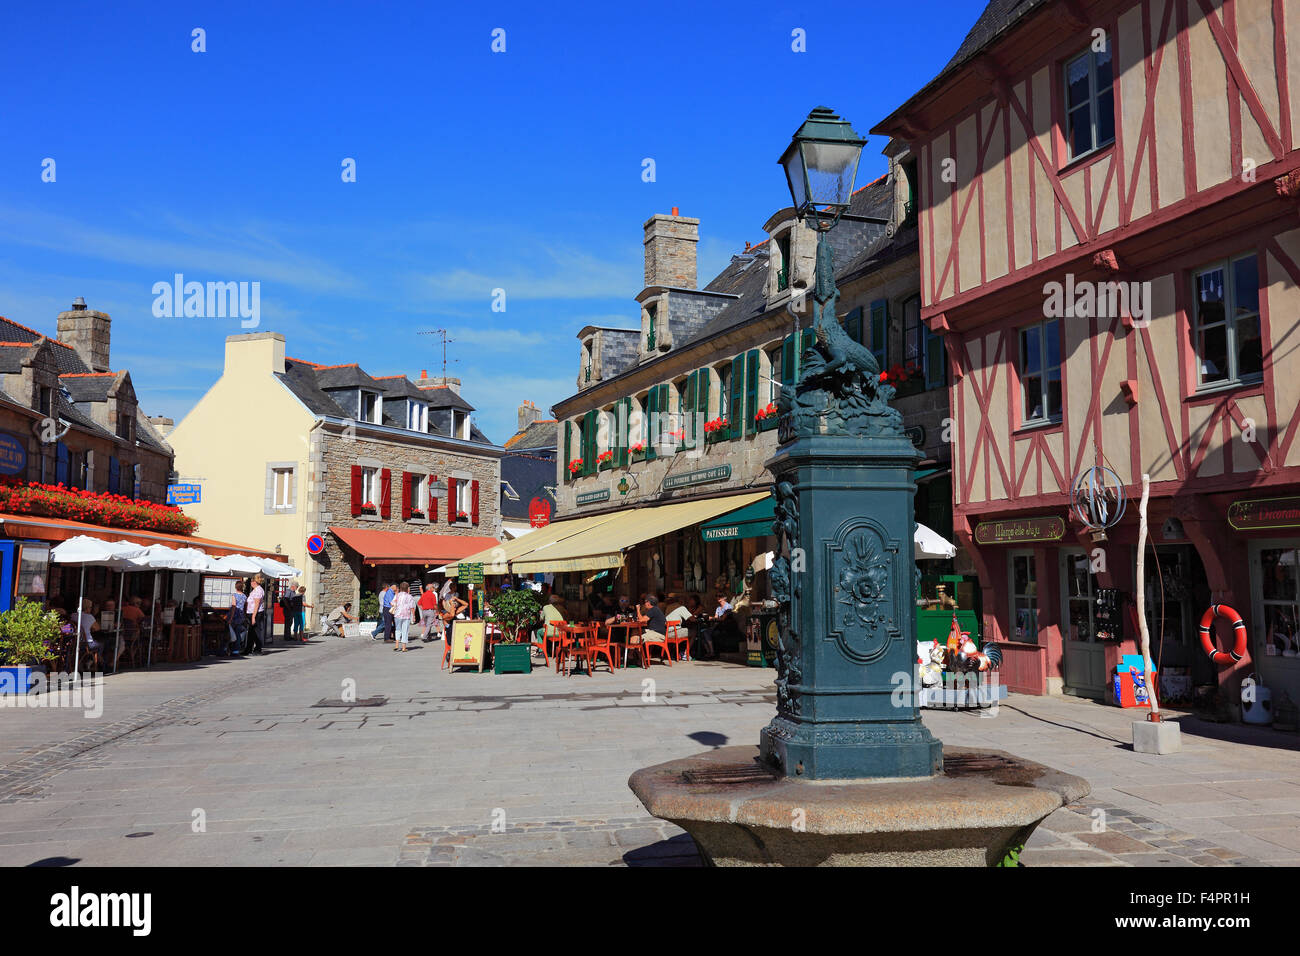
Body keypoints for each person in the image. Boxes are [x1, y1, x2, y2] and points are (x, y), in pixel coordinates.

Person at [244, 574, 266, 656]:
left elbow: (257, 604)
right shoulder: (255, 590)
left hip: (256, 613)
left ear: (254, 582)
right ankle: (248, 649)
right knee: (251, 632)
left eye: (251, 581)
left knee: (256, 631)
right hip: (251, 613)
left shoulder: (258, 590)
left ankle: (258, 649)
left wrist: (253, 616)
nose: (250, 583)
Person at [391, 582, 416, 652]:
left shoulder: (397, 595)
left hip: (397, 615)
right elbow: (412, 607)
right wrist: (413, 616)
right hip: (406, 615)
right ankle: (403, 647)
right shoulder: (410, 596)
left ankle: (396, 645)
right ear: (407, 588)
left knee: (398, 629)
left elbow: (392, 603)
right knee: (405, 630)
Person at [79, 598, 102, 671]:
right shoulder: (89, 617)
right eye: (91, 607)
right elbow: (97, 628)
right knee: (101, 645)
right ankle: (91, 662)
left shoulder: (73, 615)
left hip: (74, 643)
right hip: (86, 643)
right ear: (87, 608)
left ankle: (86, 662)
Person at [227, 581, 247, 657]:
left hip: (234, 616)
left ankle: (228, 649)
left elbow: (233, 607)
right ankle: (236, 650)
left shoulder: (234, 595)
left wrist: (230, 618)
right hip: (241, 616)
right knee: (238, 634)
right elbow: (245, 607)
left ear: (236, 587)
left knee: (231, 633)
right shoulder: (245, 596)